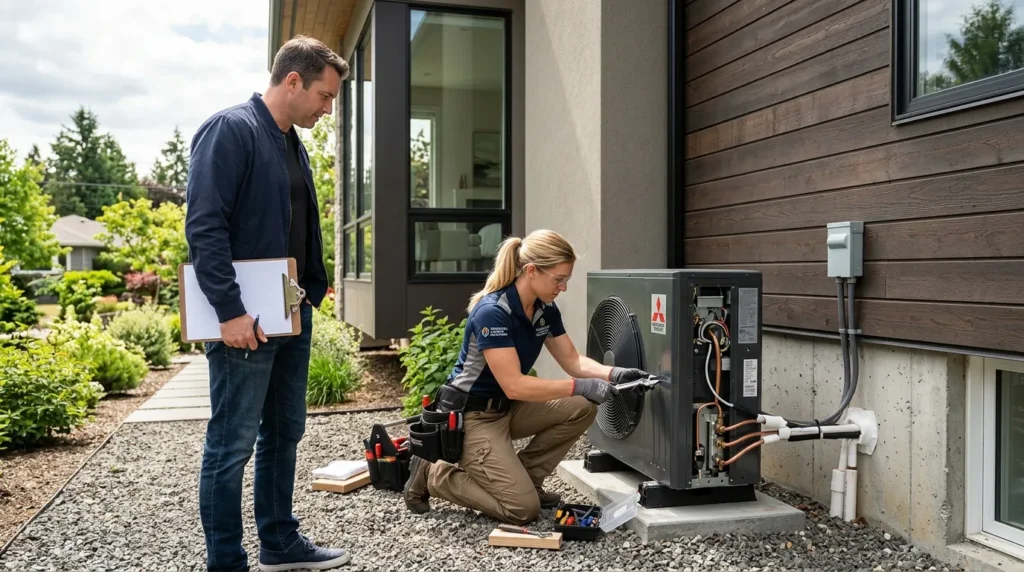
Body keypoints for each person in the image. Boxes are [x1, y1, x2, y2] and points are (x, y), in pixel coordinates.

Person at [184, 35, 350, 572]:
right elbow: (204, 227)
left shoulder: (291, 143)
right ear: (293, 80)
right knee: (231, 443)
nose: (328, 110)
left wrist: (313, 293)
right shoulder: (230, 129)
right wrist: (229, 311)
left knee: (284, 431)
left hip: (289, 313)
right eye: (325, 96)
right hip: (246, 321)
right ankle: (226, 562)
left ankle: (279, 542)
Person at [402, 229, 650, 525]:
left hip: (507, 408)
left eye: (567, 279)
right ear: (531, 271)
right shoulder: (493, 312)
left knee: (582, 407)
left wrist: (614, 373)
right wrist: (581, 385)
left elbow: (572, 360)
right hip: (472, 418)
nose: (563, 287)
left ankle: (528, 480)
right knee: (522, 510)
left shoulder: (545, 309)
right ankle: (437, 474)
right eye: (559, 279)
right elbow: (515, 385)